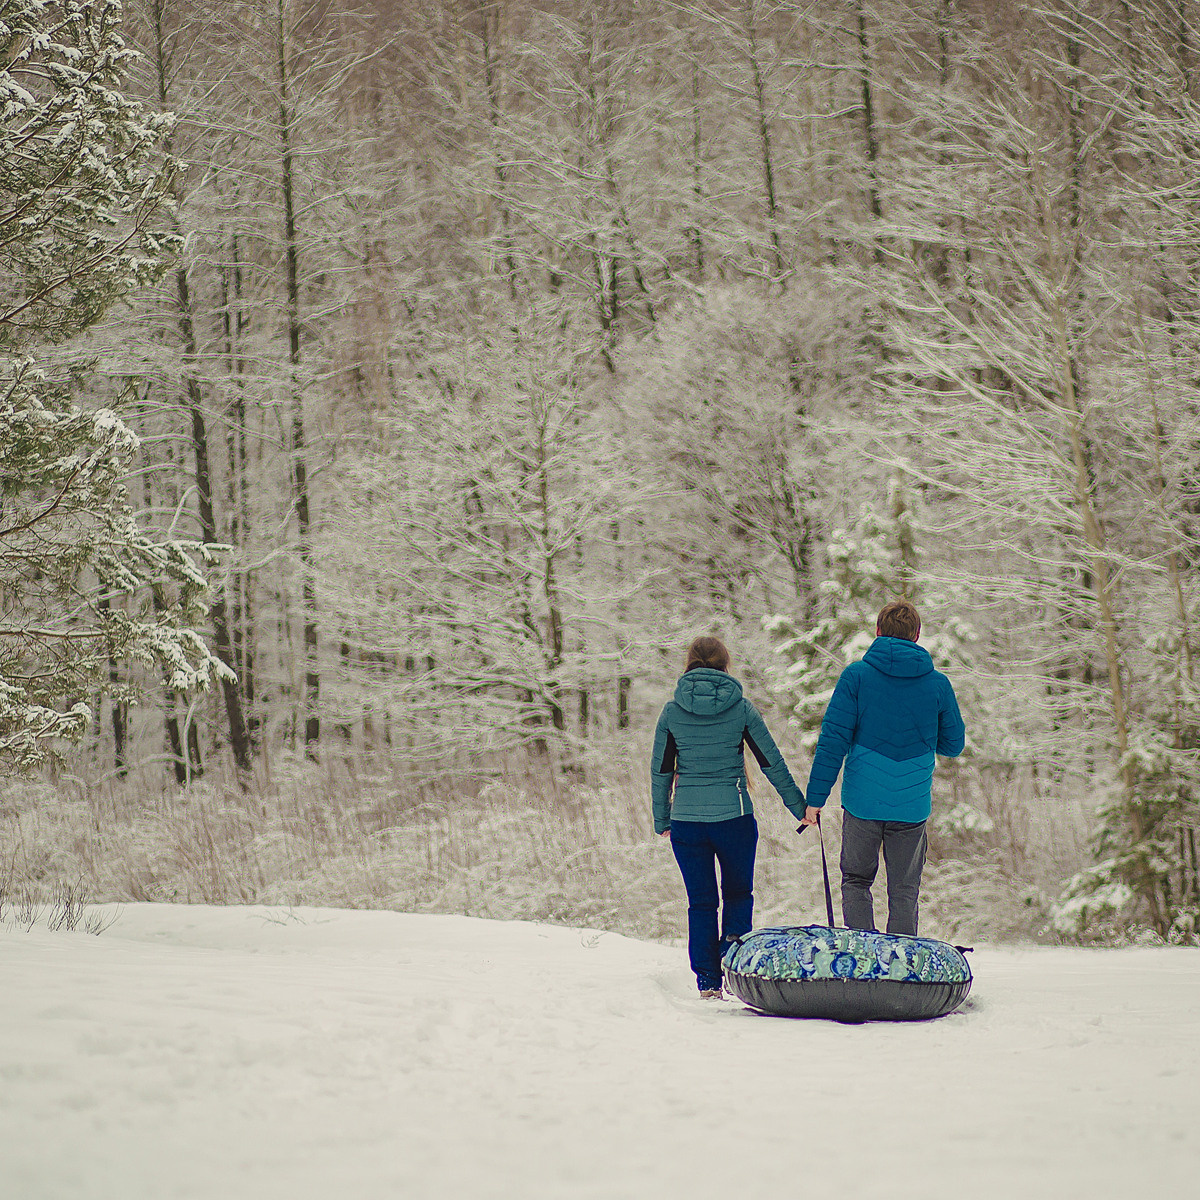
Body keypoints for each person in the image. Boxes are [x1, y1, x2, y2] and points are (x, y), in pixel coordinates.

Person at [651, 635, 807, 998]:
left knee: (701, 902)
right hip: (734, 819)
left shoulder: (672, 712)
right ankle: (734, 966)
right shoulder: (742, 709)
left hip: (687, 822)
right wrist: (800, 808)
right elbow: (771, 762)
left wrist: (662, 820)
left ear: (688, 664)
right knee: (738, 894)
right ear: (726, 664)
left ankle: (708, 983)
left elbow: (660, 771)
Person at [800, 599, 965, 936]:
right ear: (917, 635)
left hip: (863, 802)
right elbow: (953, 745)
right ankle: (900, 970)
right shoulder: (938, 684)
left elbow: (833, 742)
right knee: (904, 891)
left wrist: (815, 800)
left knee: (857, 880)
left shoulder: (856, 677)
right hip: (911, 804)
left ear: (877, 632)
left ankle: (862, 962)